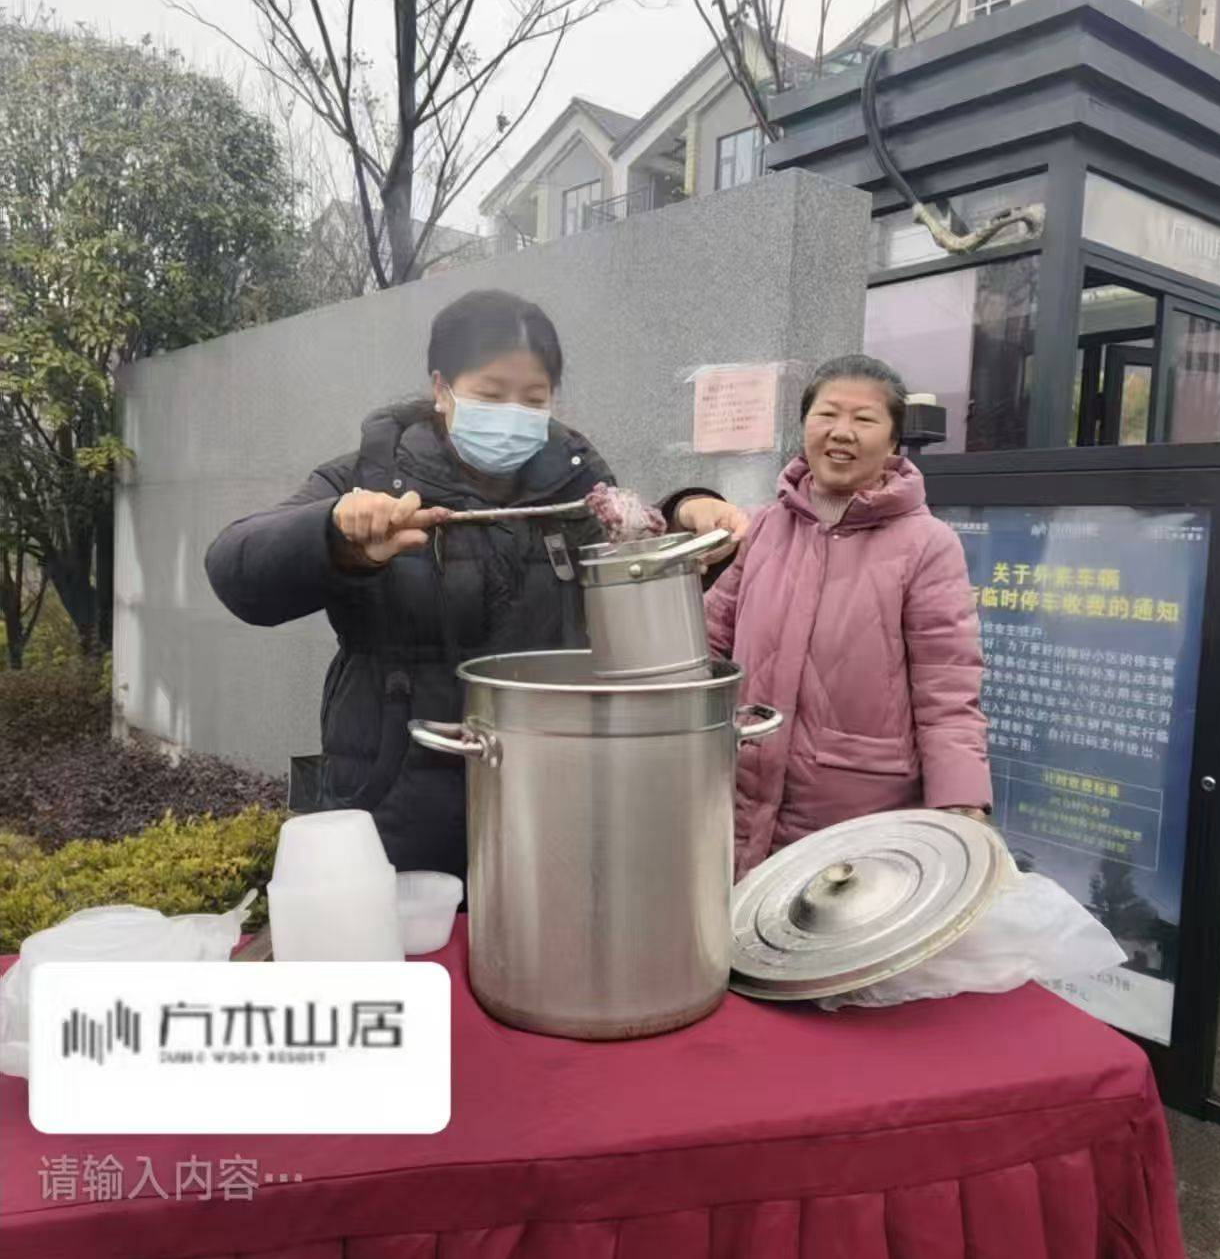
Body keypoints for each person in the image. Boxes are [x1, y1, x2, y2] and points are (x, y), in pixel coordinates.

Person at [206, 288, 746, 874]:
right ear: (442, 389)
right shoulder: (369, 478)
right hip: (398, 805)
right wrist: (336, 534)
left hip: (548, 797)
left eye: (533, 398)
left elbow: (631, 571)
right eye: (490, 394)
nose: (513, 414)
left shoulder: (577, 490)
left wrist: (687, 518)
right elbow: (238, 569)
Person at [705, 352, 991, 878]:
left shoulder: (927, 544)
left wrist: (960, 800)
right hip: (740, 795)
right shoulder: (766, 527)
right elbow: (707, 641)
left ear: (893, 441)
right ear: (804, 426)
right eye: (827, 414)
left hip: (856, 817)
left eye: (864, 419)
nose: (842, 432)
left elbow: (947, 688)